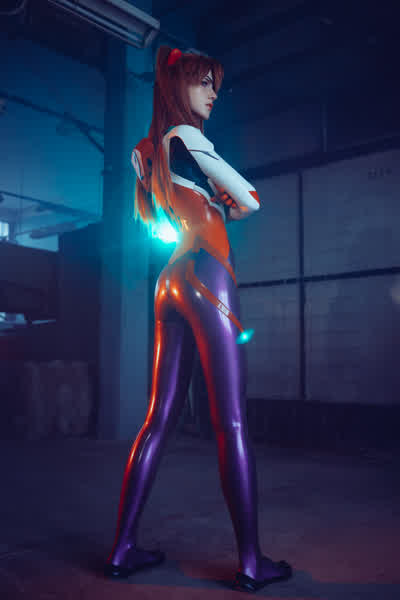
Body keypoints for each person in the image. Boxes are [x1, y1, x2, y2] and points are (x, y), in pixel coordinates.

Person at [103, 45, 292, 593]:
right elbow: (251, 199)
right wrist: (231, 203)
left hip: (169, 279)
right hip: (207, 275)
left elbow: (163, 207)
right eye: (203, 81)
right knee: (231, 422)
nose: (213, 93)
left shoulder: (148, 152)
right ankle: (251, 562)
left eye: (215, 85)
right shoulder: (187, 137)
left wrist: (213, 199)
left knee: (157, 419)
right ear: (176, 85)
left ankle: (123, 549)